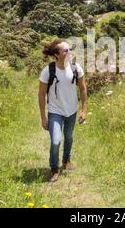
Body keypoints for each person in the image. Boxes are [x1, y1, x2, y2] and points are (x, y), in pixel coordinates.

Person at [38, 40, 88, 183]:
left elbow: (83, 89)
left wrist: (83, 111)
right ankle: (54, 168)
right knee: (56, 141)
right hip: (55, 111)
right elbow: (41, 94)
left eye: (69, 49)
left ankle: (66, 160)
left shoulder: (75, 68)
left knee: (69, 137)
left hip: (71, 110)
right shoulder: (48, 71)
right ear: (57, 55)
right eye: (65, 50)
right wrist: (43, 117)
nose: (69, 52)